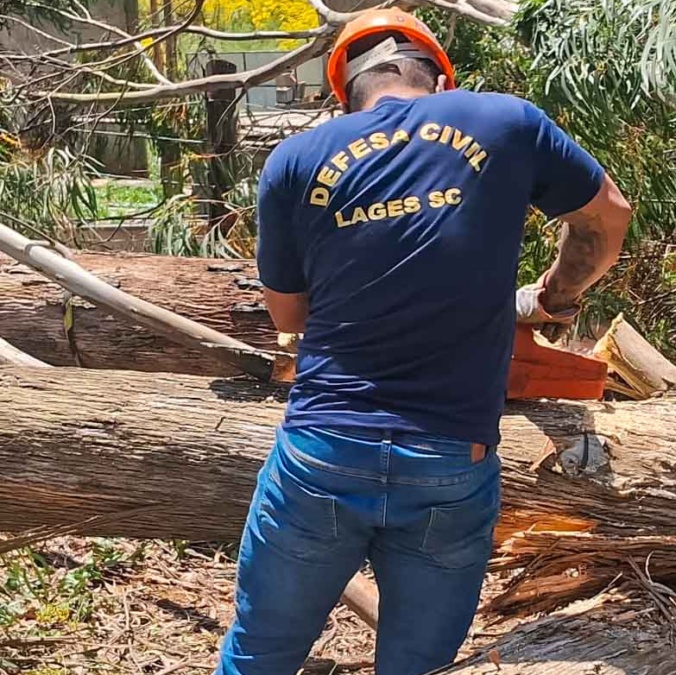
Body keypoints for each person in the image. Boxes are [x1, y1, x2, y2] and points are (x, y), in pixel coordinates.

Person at [215, 8, 631, 675]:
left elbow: (287, 311)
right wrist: (556, 295)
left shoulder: (294, 159)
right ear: (441, 81)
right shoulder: (505, 122)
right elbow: (609, 215)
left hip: (324, 452)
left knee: (257, 658)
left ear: (342, 95)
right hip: (450, 462)